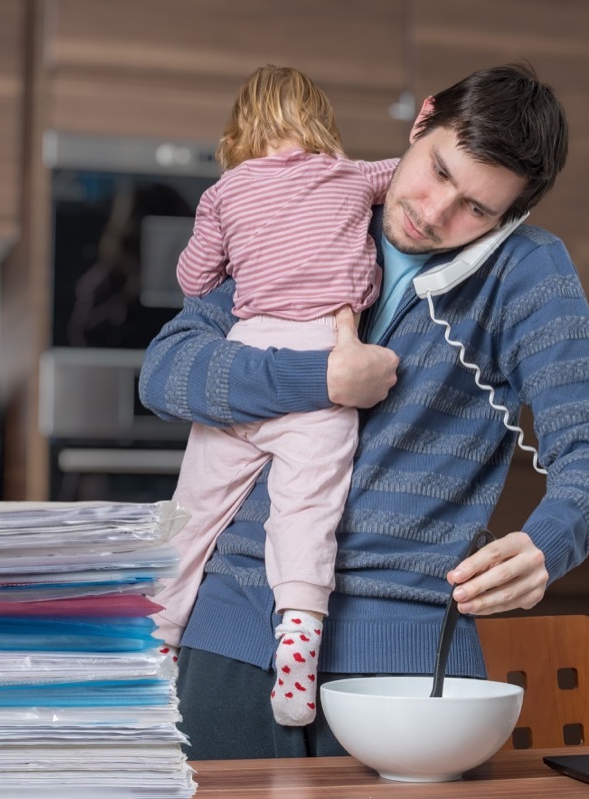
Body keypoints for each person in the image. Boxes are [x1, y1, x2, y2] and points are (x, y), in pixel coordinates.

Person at [138, 62, 589, 759]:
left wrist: (550, 541)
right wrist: (323, 377)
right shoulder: (306, 205)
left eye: (477, 210)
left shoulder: (529, 273)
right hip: (230, 637)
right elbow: (166, 372)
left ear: (511, 218)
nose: (434, 213)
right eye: (438, 170)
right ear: (423, 119)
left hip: (406, 660)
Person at [152, 64, 398, 727]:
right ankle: (299, 641)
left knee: (192, 512)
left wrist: (244, 243)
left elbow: (194, 278)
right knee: (305, 512)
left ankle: (153, 640)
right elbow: (409, 175)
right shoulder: (352, 176)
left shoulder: (225, 191)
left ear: (240, 132)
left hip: (247, 351)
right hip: (327, 353)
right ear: (320, 125)